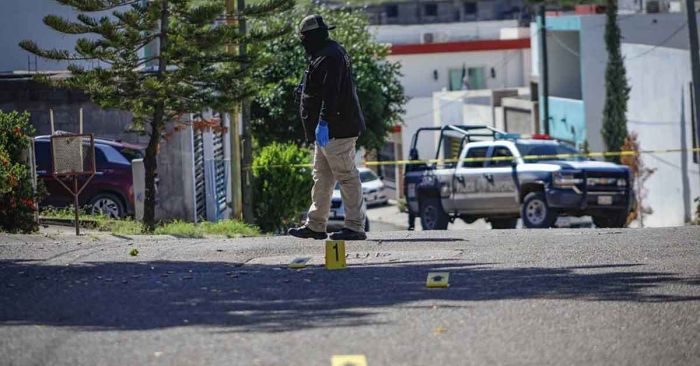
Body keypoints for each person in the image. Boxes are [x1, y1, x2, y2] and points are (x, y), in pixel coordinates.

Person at [287, 14, 367, 241]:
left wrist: (323, 122)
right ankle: (316, 225)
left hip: (336, 129)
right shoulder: (325, 53)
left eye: (303, 37)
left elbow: (331, 94)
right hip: (326, 131)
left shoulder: (330, 56)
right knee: (322, 176)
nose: (302, 42)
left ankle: (354, 226)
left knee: (347, 176)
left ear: (310, 36)